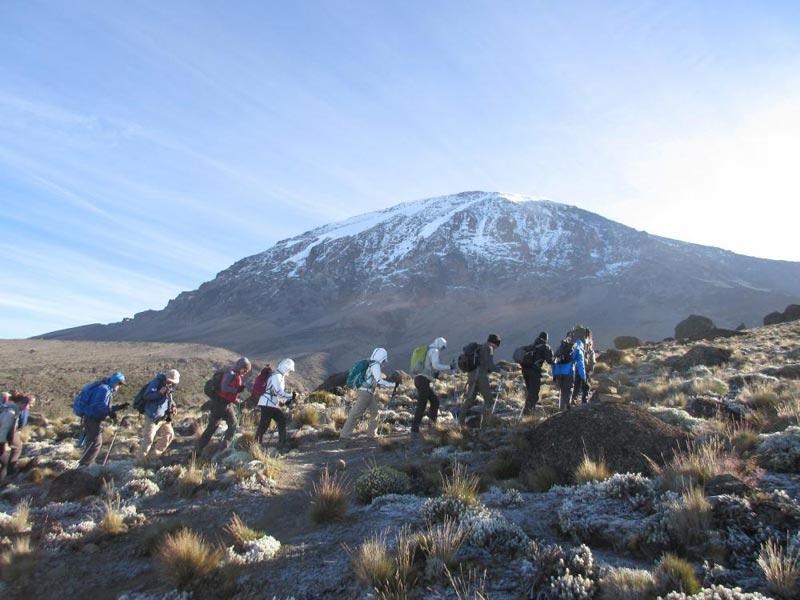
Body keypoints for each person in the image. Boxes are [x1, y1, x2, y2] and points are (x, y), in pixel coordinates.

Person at [196, 357, 251, 454]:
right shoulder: (230, 374)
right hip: (220, 406)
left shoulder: (235, 375)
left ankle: (222, 449)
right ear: (240, 367)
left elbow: (228, 396)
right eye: (245, 370)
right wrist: (237, 390)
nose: (245, 372)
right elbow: (224, 388)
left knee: (231, 426)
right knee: (214, 428)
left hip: (225, 405)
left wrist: (239, 403)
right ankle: (199, 451)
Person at [340, 348, 395, 440]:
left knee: (375, 412)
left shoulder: (370, 363)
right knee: (356, 413)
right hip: (365, 392)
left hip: (366, 391)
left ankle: (372, 435)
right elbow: (379, 380)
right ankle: (345, 435)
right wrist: (392, 384)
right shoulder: (375, 365)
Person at [78, 372, 127, 466]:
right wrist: (110, 413)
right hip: (92, 419)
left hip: (91, 418)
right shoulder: (104, 389)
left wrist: (119, 407)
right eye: (120, 383)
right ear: (115, 382)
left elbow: (104, 406)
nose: (120, 386)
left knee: (92, 442)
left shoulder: (105, 388)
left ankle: (85, 464)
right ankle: (85, 466)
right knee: (95, 443)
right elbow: (99, 405)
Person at [459, 334, 505, 427]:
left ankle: (460, 422)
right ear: (495, 343)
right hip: (480, 377)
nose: (496, 348)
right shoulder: (489, 348)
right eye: (497, 345)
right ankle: (485, 423)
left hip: (472, 375)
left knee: (470, 399)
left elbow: (484, 364)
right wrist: (501, 371)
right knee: (488, 399)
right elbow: (490, 365)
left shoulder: (481, 347)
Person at [136, 369, 180, 464]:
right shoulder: (156, 383)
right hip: (152, 416)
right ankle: (140, 461)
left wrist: (173, 406)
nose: (171, 383)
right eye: (170, 381)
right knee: (148, 440)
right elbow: (147, 395)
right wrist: (159, 393)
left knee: (169, 435)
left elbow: (168, 399)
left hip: (164, 417)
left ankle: (153, 457)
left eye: (173, 382)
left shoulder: (170, 386)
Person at [411, 337, 452, 433]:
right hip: (423, 380)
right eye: (443, 347)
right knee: (423, 404)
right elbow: (435, 365)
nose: (442, 349)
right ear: (440, 344)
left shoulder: (428, 350)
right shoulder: (434, 351)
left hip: (419, 379)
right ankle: (416, 428)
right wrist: (449, 367)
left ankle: (431, 425)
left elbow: (429, 366)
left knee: (434, 402)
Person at [255, 358, 296, 446]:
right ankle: (256, 444)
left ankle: (281, 443)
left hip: (270, 403)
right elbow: (278, 391)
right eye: (289, 371)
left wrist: (285, 400)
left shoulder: (278, 375)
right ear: (286, 368)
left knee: (280, 421)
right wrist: (290, 396)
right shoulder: (277, 376)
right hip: (268, 403)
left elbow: (276, 392)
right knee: (265, 424)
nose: (289, 373)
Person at [0, 394, 33, 482]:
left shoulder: (6, 407)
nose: (28, 408)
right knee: (5, 463)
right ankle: (4, 481)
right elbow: (4, 428)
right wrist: (1, 443)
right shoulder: (11, 412)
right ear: (23, 404)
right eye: (28, 405)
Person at [520, 332, 554, 415]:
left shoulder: (532, 346)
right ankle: (528, 413)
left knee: (530, 391)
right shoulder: (545, 347)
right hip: (534, 372)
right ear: (546, 339)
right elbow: (550, 360)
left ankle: (528, 410)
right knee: (534, 393)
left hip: (525, 370)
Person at [551, 332, 586, 411]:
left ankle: (561, 410)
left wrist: (554, 374)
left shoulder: (561, 348)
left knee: (562, 392)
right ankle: (565, 412)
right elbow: (580, 364)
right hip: (568, 372)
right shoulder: (578, 348)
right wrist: (583, 377)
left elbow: (553, 361)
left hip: (558, 372)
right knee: (567, 392)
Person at [572, 329, 595, 405]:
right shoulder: (588, 343)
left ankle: (574, 399)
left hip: (576, 366)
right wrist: (591, 368)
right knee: (586, 384)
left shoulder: (576, 343)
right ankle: (584, 400)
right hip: (585, 365)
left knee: (576, 384)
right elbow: (592, 356)